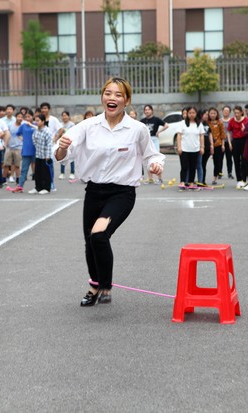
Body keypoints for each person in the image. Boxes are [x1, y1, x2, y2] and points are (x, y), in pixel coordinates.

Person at [53, 77, 164, 306]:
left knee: (99, 234)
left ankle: (105, 286)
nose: (112, 98)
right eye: (108, 93)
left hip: (122, 193)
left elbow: (151, 155)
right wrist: (62, 148)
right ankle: (94, 286)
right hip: (94, 191)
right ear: (102, 97)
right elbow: (62, 155)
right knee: (90, 241)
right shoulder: (88, 126)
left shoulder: (137, 129)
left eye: (118, 95)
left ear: (127, 100)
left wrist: (155, 165)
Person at [177, 106, 204, 188]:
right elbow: (179, 135)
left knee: (193, 167)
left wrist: (202, 147)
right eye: (190, 113)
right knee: (184, 167)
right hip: (184, 149)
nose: (192, 114)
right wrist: (179, 147)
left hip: (195, 149)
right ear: (187, 113)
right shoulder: (182, 123)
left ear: (196, 114)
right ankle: (182, 182)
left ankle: (191, 182)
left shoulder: (199, 124)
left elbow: (201, 136)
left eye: (193, 113)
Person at [140, 104, 168, 184]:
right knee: (147, 159)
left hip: (154, 140)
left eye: (148, 109)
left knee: (156, 159)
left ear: (152, 111)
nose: (147, 111)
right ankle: (150, 179)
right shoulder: (142, 121)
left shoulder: (156, 119)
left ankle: (160, 178)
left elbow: (166, 125)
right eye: (145, 110)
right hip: (146, 141)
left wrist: (159, 132)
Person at [227, 106, 248, 189]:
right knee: (236, 161)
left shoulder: (246, 120)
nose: (236, 114)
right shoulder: (231, 120)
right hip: (235, 141)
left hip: (244, 141)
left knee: (244, 161)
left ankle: (244, 179)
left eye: (238, 113)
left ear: (241, 112)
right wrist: (230, 143)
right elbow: (228, 132)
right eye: (235, 113)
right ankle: (239, 180)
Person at [30, 114, 53, 194]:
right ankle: (38, 187)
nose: (36, 122)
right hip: (38, 154)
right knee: (37, 172)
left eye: (38, 121)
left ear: (43, 121)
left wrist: (48, 155)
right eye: (35, 121)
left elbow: (49, 144)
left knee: (45, 173)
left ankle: (46, 188)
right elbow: (34, 140)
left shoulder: (47, 131)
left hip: (45, 155)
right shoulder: (36, 130)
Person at [15, 109, 37, 193]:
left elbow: (40, 129)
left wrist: (31, 125)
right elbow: (18, 134)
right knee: (24, 169)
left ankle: (39, 186)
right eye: (26, 117)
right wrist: (22, 139)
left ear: (32, 116)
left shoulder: (36, 124)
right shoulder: (23, 126)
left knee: (37, 169)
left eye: (29, 116)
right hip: (26, 150)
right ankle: (20, 186)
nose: (27, 118)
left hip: (36, 150)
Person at [205, 107, 226, 185]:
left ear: (217, 114)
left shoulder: (220, 122)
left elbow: (223, 134)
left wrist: (223, 145)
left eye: (214, 113)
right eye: (211, 113)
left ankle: (215, 177)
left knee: (217, 162)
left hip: (218, 144)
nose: (213, 115)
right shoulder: (207, 123)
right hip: (208, 145)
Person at [4, 111, 23, 184]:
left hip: (19, 147)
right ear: (16, 117)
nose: (20, 118)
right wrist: (5, 143)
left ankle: (18, 179)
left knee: (17, 165)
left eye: (21, 117)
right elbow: (6, 134)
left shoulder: (23, 126)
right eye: (18, 117)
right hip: (9, 147)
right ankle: (3, 179)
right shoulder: (10, 125)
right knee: (6, 164)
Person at [56, 111, 76, 180]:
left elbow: (74, 133)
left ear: (68, 116)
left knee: (72, 158)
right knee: (62, 157)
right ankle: (62, 173)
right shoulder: (60, 124)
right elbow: (58, 133)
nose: (64, 117)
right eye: (63, 116)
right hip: (62, 143)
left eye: (65, 115)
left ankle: (72, 173)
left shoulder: (72, 124)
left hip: (70, 143)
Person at [221, 105, 234, 179]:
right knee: (220, 158)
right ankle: (219, 172)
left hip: (230, 142)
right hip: (221, 142)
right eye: (224, 110)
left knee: (229, 158)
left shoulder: (232, 120)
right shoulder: (219, 120)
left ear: (230, 112)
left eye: (227, 111)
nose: (226, 112)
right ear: (222, 111)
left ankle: (230, 172)